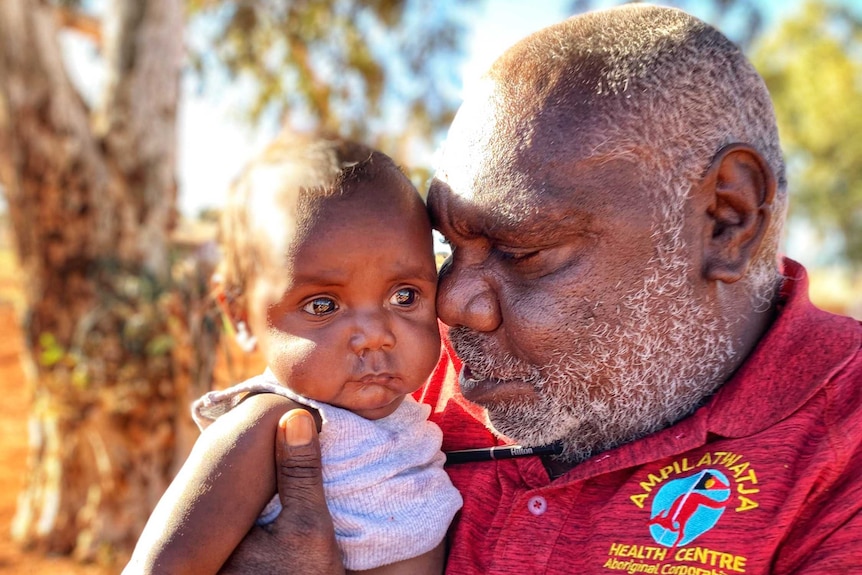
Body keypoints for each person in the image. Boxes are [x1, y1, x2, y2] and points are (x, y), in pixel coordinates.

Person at [221, 4, 862, 574]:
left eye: (524, 250)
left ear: (726, 219)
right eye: (450, 247)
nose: (451, 304)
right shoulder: (389, 375)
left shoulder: (843, 450)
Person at [123, 135, 462, 574]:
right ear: (241, 315)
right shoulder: (268, 427)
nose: (375, 336)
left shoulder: (414, 420)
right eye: (322, 305)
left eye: (404, 296)